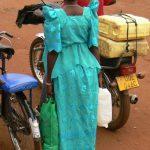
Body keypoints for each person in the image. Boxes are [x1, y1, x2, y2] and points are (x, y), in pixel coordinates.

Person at [41, 0, 101, 149]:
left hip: (65, 72)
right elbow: (94, 46)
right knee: (86, 113)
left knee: (66, 114)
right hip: (89, 70)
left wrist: (48, 81)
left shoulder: (56, 16)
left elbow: (53, 51)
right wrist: (98, 73)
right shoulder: (89, 14)